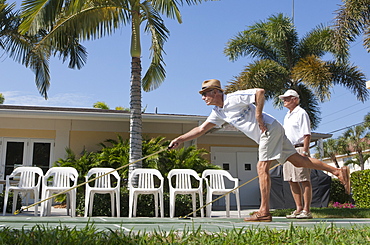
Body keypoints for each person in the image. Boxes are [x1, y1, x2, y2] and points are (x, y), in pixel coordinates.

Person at [169, 79, 351, 222]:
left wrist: (258, 115)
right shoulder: (218, 112)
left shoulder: (232, 98)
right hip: (273, 130)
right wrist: (179, 139)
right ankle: (337, 170)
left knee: (261, 167)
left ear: (216, 92)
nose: (203, 97)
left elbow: (260, 92)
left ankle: (264, 211)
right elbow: (201, 130)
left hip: (269, 129)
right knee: (298, 160)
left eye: (205, 93)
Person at [279, 90, 312, 219]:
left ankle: (306, 210)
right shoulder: (287, 115)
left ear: (295, 99)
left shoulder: (301, 113)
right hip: (288, 150)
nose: (284, 101)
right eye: (284, 98)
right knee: (291, 180)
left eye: (287, 98)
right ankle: (298, 208)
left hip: (299, 149)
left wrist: (305, 151)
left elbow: (307, 134)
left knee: (304, 179)